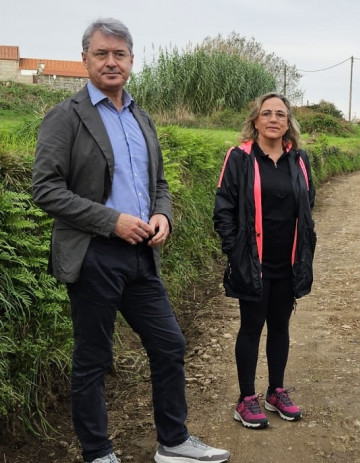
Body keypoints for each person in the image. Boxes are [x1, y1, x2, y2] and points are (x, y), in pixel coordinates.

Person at [31, 18, 230, 463]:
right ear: (85, 59)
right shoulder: (66, 117)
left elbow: (157, 182)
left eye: (119, 54)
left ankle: (173, 443)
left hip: (142, 256)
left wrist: (163, 214)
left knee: (169, 345)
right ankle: (98, 453)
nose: (111, 62)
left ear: (132, 61)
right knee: (94, 358)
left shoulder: (142, 116)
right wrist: (111, 221)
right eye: (101, 53)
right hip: (93, 255)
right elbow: (45, 188)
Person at [213, 92, 316, 429]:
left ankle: (275, 391)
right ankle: (246, 399)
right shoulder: (240, 157)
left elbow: (307, 202)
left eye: (281, 115)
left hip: (287, 261)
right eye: (267, 113)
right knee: (251, 327)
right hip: (252, 262)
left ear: (288, 123)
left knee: (281, 326)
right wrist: (235, 251)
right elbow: (223, 208)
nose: (274, 119)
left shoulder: (299, 160)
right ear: (255, 120)